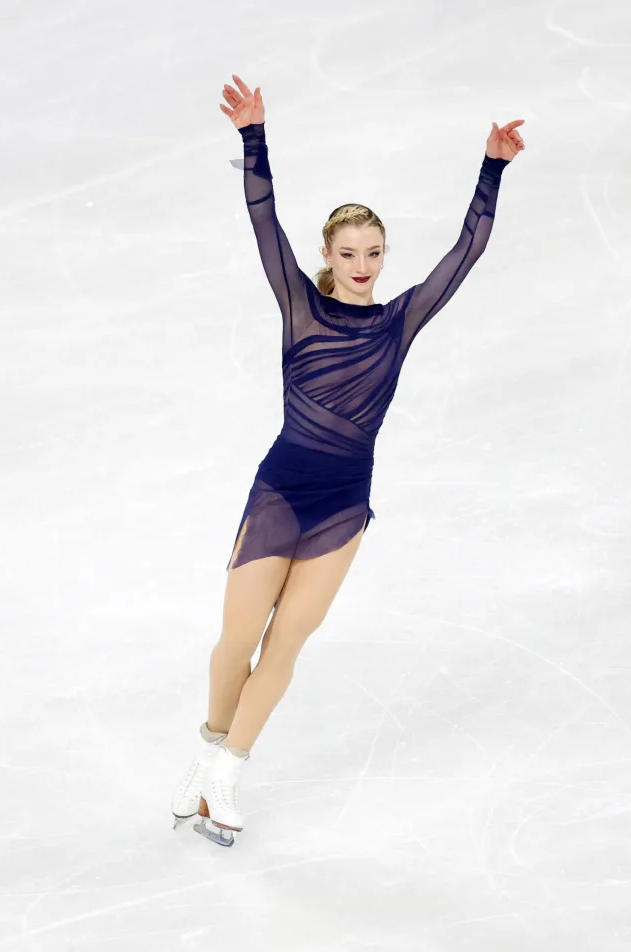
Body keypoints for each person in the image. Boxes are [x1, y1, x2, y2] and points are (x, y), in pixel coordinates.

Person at [171, 74, 525, 846]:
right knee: (237, 640)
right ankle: (205, 751)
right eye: (349, 252)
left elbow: (465, 253)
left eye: (373, 251)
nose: (363, 263)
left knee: (286, 643)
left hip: (341, 507)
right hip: (280, 491)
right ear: (328, 255)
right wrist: (252, 138)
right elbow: (263, 222)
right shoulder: (300, 305)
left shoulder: (401, 321)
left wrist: (491, 168)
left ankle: (228, 772)